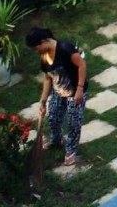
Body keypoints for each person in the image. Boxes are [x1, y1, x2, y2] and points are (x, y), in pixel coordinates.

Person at [25, 26, 88, 166]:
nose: (36, 52)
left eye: (36, 48)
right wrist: (43, 100)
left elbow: (82, 65)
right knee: (53, 117)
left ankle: (71, 152)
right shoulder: (45, 56)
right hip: (58, 91)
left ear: (43, 42)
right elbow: (48, 78)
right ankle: (56, 140)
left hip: (74, 91)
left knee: (73, 122)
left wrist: (80, 89)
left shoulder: (65, 49)